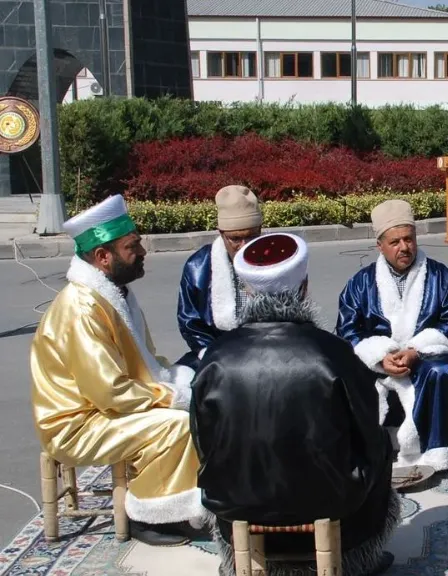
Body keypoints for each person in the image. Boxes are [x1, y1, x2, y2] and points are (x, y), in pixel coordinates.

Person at [191, 232, 397, 576]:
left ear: (250, 291)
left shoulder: (216, 356)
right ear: (303, 286)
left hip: (234, 500)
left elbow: (201, 437)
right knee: (381, 446)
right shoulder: (332, 352)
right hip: (330, 499)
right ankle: (357, 560)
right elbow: (367, 426)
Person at [29, 194, 209, 546]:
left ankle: (185, 500)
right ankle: (147, 516)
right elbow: (109, 391)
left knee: (199, 395)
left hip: (105, 409)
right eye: (132, 246)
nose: (142, 252)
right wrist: (173, 395)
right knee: (177, 424)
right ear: (102, 257)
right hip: (77, 422)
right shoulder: (81, 308)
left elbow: (147, 364)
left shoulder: (114, 294)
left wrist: (184, 383)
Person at [336, 199, 448, 472]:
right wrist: (379, 357)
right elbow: (347, 332)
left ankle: (439, 452)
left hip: (425, 359)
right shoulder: (360, 284)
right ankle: (369, 447)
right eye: (395, 242)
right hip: (379, 362)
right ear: (380, 246)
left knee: (440, 373)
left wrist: (416, 351)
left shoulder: (440, 277)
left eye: (409, 239)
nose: (404, 247)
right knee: (348, 375)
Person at [176, 185, 263, 368]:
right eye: (236, 239)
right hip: (217, 355)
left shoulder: (279, 261)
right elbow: (191, 323)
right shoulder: (198, 267)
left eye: (252, 237)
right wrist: (215, 358)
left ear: (260, 229)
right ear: (221, 233)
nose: (244, 246)